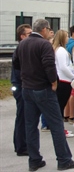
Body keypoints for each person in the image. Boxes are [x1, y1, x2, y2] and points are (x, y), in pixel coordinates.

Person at [12, 19, 74, 171]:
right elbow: (49, 65)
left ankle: (34, 160)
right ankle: (64, 159)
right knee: (56, 124)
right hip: (43, 88)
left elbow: (16, 64)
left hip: (27, 88)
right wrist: (53, 82)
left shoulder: (22, 44)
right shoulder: (44, 44)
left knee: (31, 125)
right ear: (44, 30)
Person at [11, 24, 32, 157]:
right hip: (20, 86)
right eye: (29, 34)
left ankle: (20, 143)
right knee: (22, 116)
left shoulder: (23, 49)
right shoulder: (20, 50)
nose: (32, 36)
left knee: (24, 116)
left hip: (21, 85)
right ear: (22, 36)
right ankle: (21, 146)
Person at [52, 30, 74, 138]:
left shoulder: (58, 50)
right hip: (64, 80)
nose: (68, 38)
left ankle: (59, 129)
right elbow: (63, 67)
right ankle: (60, 130)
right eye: (66, 36)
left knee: (59, 106)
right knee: (60, 106)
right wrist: (73, 77)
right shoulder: (61, 51)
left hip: (62, 79)